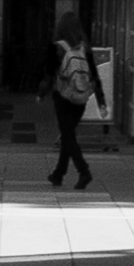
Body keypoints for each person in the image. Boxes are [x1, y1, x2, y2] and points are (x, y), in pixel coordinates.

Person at [47, 24, 100, 189]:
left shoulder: (57, 47)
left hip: (63, 96)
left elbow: (49, 72)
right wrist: (101, 100)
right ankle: (58, 174)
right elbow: (94, 74)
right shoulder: (86, 49)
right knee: (67, 136)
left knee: (68, 136)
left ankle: (84, 171)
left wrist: (42, 93)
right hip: (80, 97)